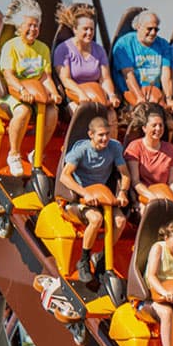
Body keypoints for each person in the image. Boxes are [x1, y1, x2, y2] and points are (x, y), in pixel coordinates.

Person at [0, 0, 61, 176]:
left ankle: (37, 151)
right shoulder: (11, 46)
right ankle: (14, 154)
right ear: (20, 27)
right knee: (22, 111)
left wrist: (54, 94)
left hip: (36, 94)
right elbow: (8, 75)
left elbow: (45, 77)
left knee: (52, 112)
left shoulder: (43, 49)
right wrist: (22, 90)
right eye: (29, 25)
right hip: (13, 93)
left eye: (36, 25)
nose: (33, 29)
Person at [59, 113, 132, 272]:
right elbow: (64, 176)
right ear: (91, 135)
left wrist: (123, 192)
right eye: (100, 135)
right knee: (96, 218)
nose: (105, 139)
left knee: (120, 221)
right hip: (80, 199)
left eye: (107, 134)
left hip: (103, 197)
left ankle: (103, 255)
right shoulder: (81, 150)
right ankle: (84, 259)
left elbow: (125, 173)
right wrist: (84, 193)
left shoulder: (115, 147)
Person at [53, 2, 117, 107]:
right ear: (75, 29)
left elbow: (105, 78)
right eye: (85, 29)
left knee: (111, 116)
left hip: (97, 95)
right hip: (75, 96)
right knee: (79, 111)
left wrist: (111, 95)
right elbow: (65, 79)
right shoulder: (63, 49)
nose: (89, 32)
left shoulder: (99, 50)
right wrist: (81, 93)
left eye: (92, 29)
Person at [126, 102, 173, 207]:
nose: (158, 129)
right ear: (144, 128)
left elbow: (172, 181)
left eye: (161, 125)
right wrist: (152, 196)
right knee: (150, 211)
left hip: (165, 193)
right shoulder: (135, 147)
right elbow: (135, 181)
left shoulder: (170, 149)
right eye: (154, 125)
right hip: (145, 194)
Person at [114, 9, 173, 105]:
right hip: (132, 91)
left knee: (164, 110)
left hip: (154, 92)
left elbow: (166, 75)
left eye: (156, 29)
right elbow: (128, 75)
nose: (153, 33)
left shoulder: (163, 44)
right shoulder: (124, 44)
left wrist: (169, 98)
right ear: (138, 27)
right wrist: (140, 98)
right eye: (149, 29)